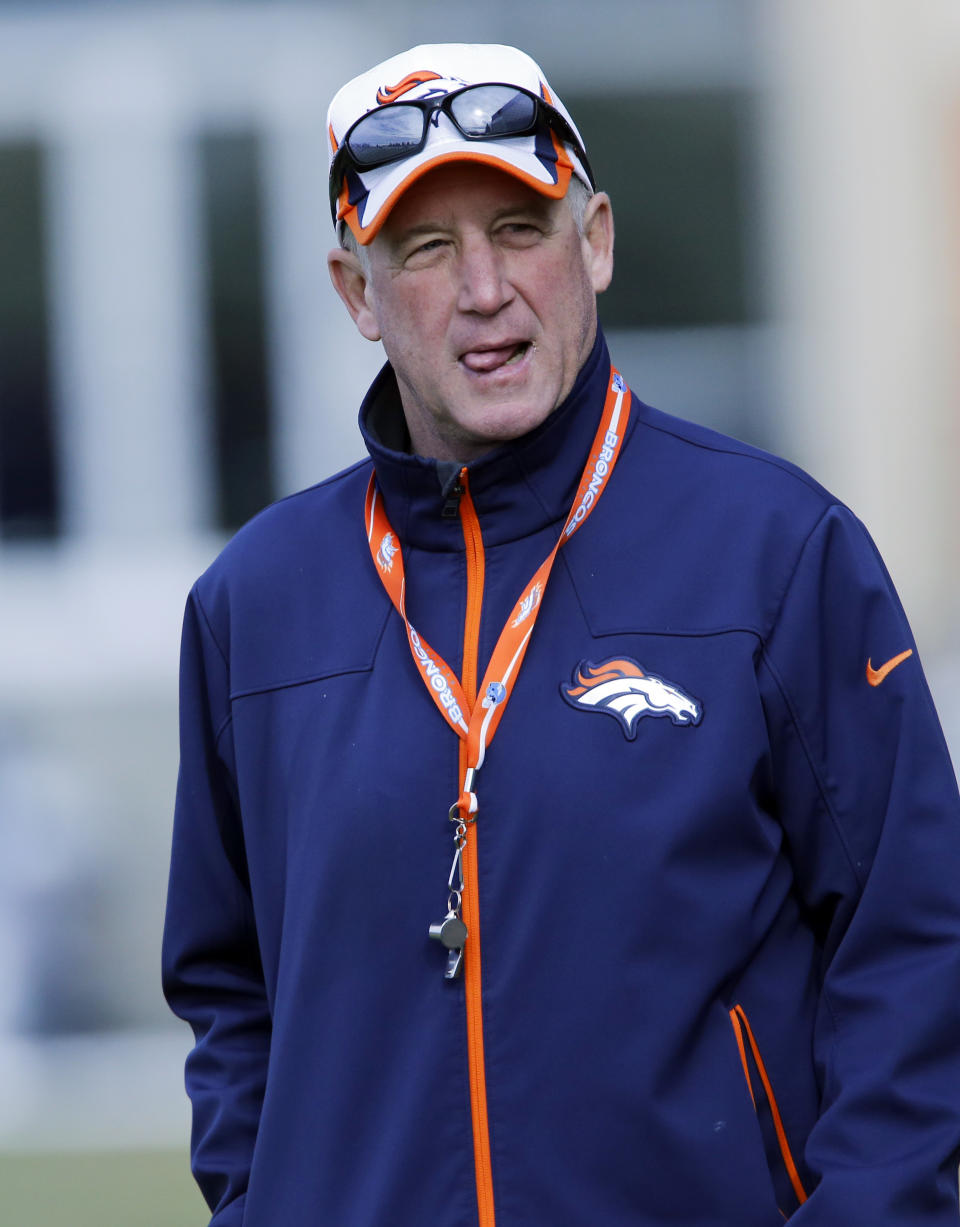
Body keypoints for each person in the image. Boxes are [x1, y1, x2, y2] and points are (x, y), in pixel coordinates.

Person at [162, 42, 960, 1227]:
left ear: (594, 241)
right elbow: (229, 997)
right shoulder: (255, 606)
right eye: (426, 250)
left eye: (519, 230)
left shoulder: (775, 550)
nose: (485, 289)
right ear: (355, 295)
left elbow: (913, 948)